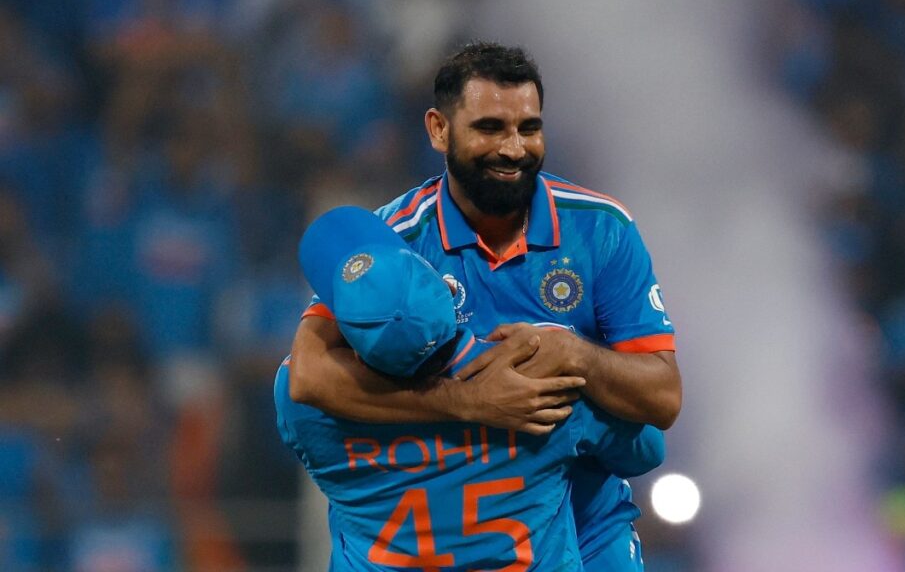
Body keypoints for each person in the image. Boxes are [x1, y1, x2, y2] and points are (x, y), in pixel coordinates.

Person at [289, 42, 682, 570]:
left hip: (588, 528)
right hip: (443, 534)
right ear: (439, 130)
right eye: (490, 128)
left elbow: (663, 397)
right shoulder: (392, 244)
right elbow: (308, 375)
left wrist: (574, 354)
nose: (514, 149)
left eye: (529, 128)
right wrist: (468, 402)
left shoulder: (601, 229)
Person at [276, 205, 665, 570]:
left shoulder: (304, 410)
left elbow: (306, 371)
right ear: (448, 289)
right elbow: (647, 451)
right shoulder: (539, 382)